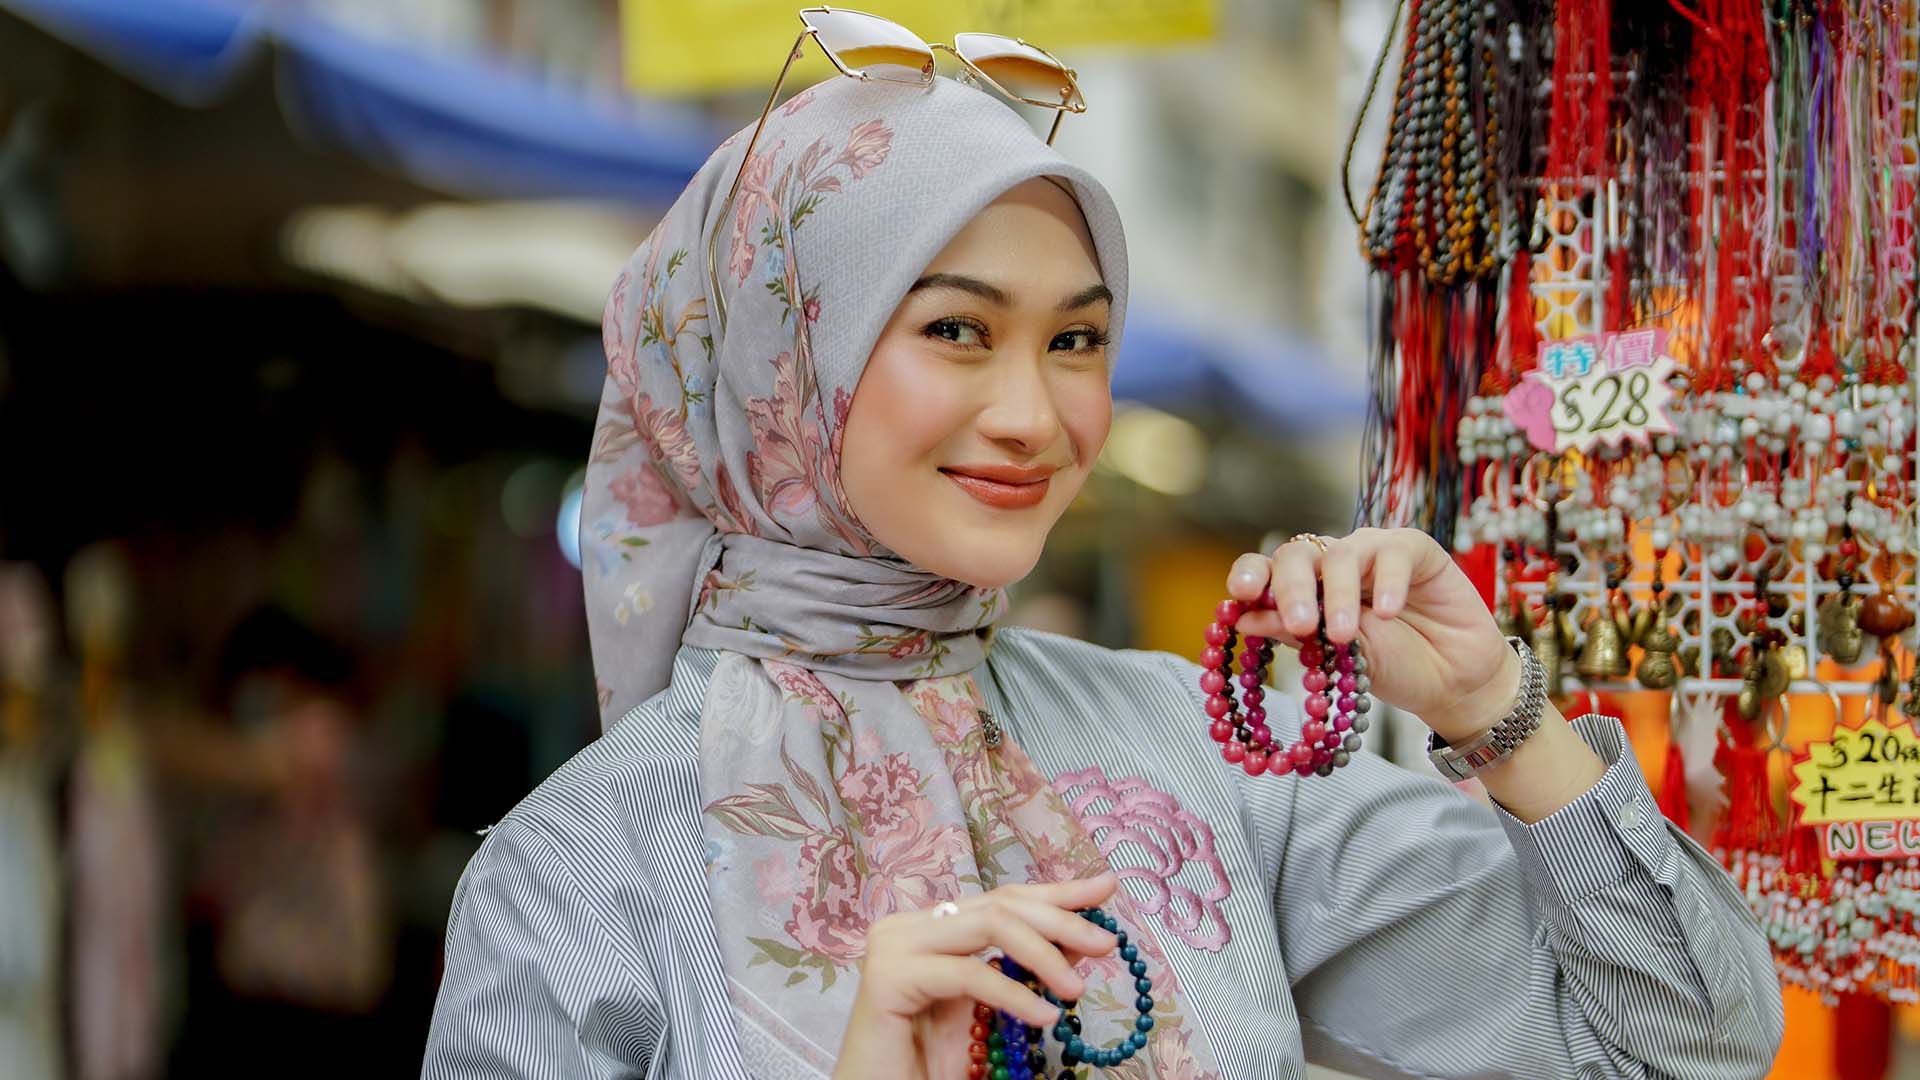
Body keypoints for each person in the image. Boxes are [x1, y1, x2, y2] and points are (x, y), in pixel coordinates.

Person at [423, 64, 1783, 1079]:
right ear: (781, 364)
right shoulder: (584, 867)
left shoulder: (1195, 750)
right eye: (958, 328)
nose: (1034, 415)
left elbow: (1688, 1046)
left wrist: (1497, 709)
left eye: (1076, 343)